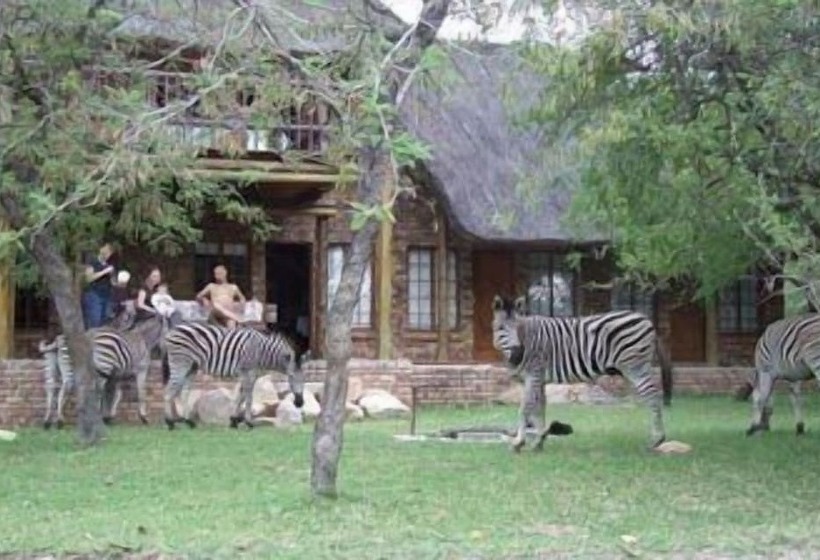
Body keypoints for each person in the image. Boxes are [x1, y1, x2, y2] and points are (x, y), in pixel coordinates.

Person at [82, 242, 115, 329]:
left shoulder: (107, 265)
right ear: (101, 249)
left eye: (110, 252)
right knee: (94, 322)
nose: (107, 254)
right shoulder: (92, 261)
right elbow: (89, 278)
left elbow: (112, 282)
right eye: (106, 250)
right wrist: (104, 272)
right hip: (94, 295)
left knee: (103, 323)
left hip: (106, 296)